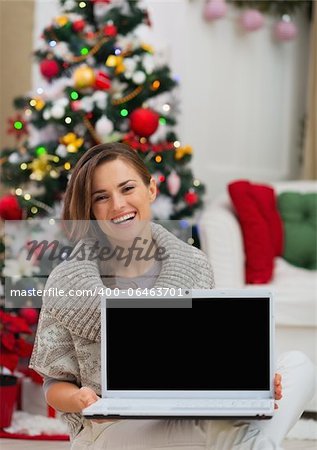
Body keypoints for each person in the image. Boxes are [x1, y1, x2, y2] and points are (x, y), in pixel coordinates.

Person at [30, 143, 315, 449]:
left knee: (299, 365)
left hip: (187, 415)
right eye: (101, 197)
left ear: (150, 189)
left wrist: (251, 386)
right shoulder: (68, 280)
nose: (117, 205)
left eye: (127, 188)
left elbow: (210, 360)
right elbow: (53, 384)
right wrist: (80, 398)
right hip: (110, 429)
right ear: (90, 209)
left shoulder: (194, 266)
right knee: (233, 433)